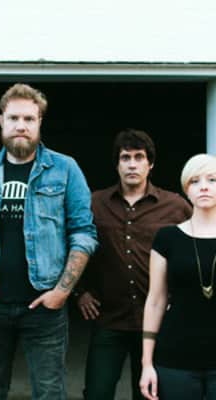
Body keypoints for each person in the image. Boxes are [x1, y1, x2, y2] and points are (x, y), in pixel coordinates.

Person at [0, 83, 97, 399]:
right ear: (1, 121)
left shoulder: (65, 168)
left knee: (49, 392)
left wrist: (62, 292)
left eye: (29, 119)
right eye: (14, 118)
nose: (21, 126)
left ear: (39, 123)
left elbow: (83, 234)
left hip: (44, 306)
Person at [76, 129, 192, 400]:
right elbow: (71, 243)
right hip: (108, 319)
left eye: (139, 157)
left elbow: (197, 249)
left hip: (156, 323)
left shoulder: (175, 206)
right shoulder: (94, 203)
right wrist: (79, 291)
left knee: (149, 394)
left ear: (150, 164)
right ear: (116, 164)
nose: (132, 164)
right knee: (97, 393)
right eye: (125, 158)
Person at [140, 153, 216, 400]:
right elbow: (155, 300)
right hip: (175, 358)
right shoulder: (167, 238)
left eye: (212, 179)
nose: (203, 186)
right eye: (195, 181)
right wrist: (147, 363)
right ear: (186, 190)